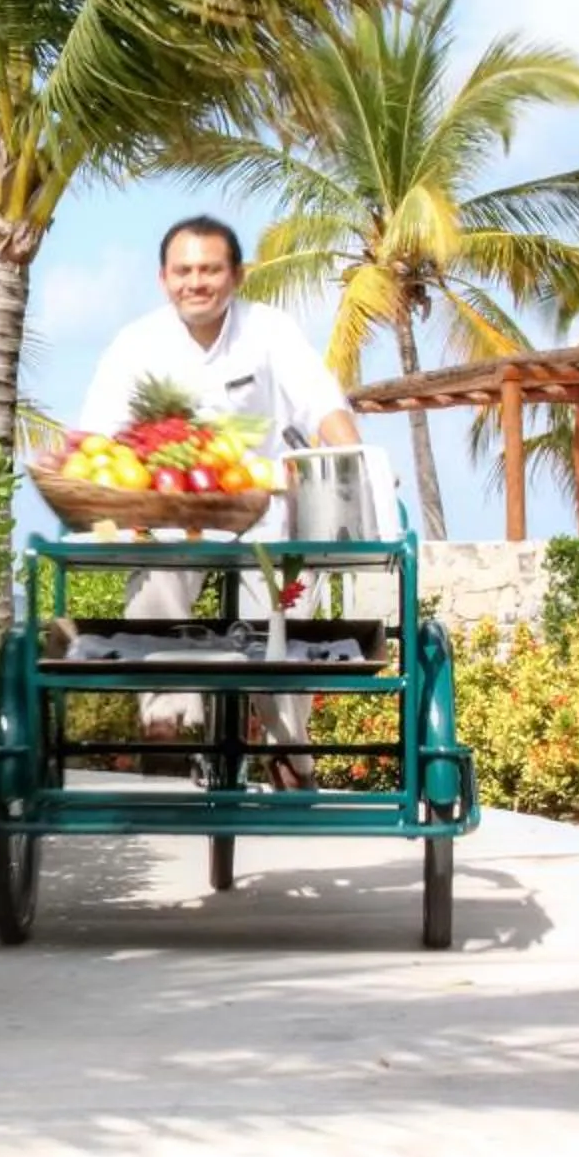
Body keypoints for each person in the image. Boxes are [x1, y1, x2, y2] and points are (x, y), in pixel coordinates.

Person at [74, 216, 367, 787]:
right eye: (183, 271)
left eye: (209, 269)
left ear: (236, 275)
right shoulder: (137, 343)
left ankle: (290, 753)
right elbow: (99, 435)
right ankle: (165, 714)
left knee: (282, 627)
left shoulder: (270, 331)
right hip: (173, 516)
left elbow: (319, 403)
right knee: (155, 576)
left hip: (262, 512)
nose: (196, 282)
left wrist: (353, 458)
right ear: (163, 278)